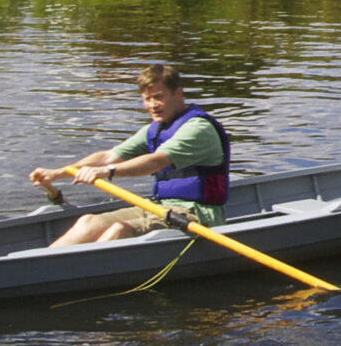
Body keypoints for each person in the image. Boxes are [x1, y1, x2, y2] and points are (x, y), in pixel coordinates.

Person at [31, 64, 231, 246]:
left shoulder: (198, 129)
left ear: (178, 94)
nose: (152, 105)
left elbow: (156, 162)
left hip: (197, 215)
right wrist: (59, 173)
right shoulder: (156, 129)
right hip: (158, 207)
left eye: (159, 96)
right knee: (88, 222)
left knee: (120, 230)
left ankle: (65, 275)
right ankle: (38, 266)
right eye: (147, 99)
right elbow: (109, 157)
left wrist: (106, 172)